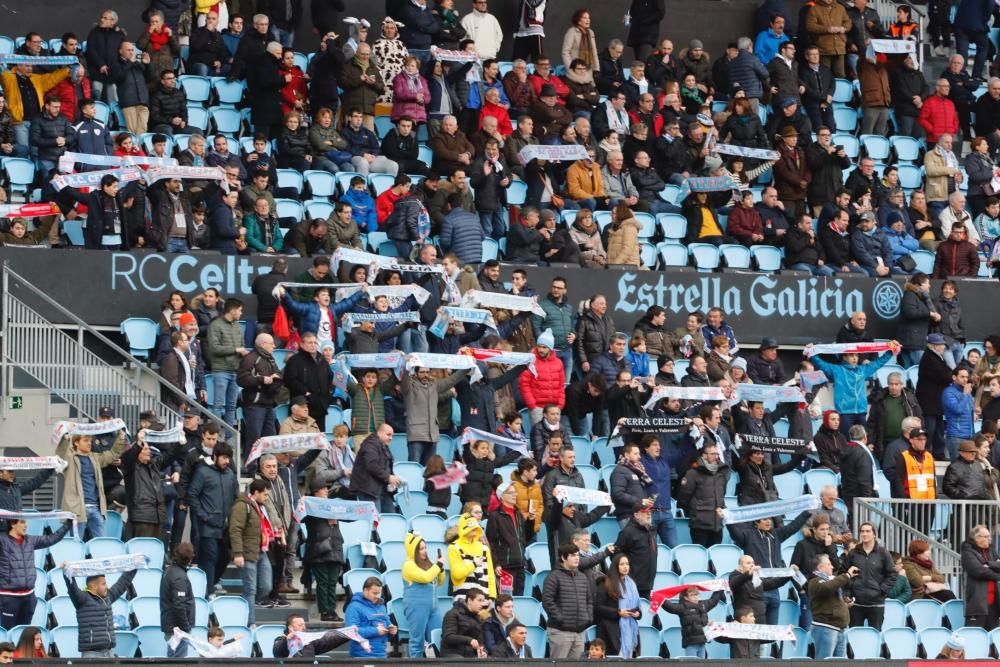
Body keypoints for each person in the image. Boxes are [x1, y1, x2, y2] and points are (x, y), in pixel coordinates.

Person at [55, 425, 128, 539]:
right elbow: (59, 456)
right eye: (85, 440)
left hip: (94, 507)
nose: (89, 443)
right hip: (77, 509)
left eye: (90, 441)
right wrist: (65, 439)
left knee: (101, 542)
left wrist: (121, 437)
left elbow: (112, 454)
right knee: (76, 543)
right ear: (76, 443)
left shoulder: (94, 458)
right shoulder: (69, 457)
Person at [808, 344, 896, 435]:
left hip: (861, 412)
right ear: (844, 357)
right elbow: (821, 364)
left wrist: (891, 351)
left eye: (856, 355)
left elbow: (879, 363)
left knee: (863, 441)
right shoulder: (837, 370)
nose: (854, 358)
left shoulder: (863, 370)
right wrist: (811, 353)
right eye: (851, 355)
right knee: (846, 441)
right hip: (844, 412)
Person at [0, 518, 71, 629]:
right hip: (8, 598)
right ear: (12, 524)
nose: (26, 525)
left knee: (23, 634)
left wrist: (68, 524)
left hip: (29, 597)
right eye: (22, 522)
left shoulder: (30, 540)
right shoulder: (2, 541)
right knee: (7, 636)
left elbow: (52, 538)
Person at [187, 442, 238, 592]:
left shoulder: (230, 474)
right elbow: (192, 494)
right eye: (223, 458)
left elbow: (236, 496)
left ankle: (210, 584)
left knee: (225, 557)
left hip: (225, 526)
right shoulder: (203, 472)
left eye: (228, 458)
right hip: (207, 526)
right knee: (209, 558)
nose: (227, 461)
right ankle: (207, 590)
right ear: (215, 456)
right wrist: (203, 515)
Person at [65, 566, 137, 658]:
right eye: (103, 584)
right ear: (94, 586)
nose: (106, 587)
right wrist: (67, 572)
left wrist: (134, 567)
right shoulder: (82, 599)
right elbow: (72, 588)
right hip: (91, 655)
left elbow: (122, 584)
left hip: (109, 652)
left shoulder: (108, 597)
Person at [542, 542, 593, 659]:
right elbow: (547, 601)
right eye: (573, 555)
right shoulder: (553, 577)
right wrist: (561, 618)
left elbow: (589, 601)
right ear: (563, 557)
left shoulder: (582, 577)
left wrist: (588, 618)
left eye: (577, 555)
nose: (577, 558)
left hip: (580, 632)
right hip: (560, 632)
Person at [677, 441, 730, 547]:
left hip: (717, 525)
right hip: (699, 524)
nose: (716, 456)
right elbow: (684, 497)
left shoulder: (721, 473)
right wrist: (695, 514)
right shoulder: (693, 473)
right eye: (713, 454)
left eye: (717, 454)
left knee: (715, 557)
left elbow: (722, 495)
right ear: (704, 455)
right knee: (700, 557)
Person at [402, 532, 445, 657]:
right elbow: (425, 577)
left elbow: (441, 582)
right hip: (416, 607)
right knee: (417, 642)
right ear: (413, 550)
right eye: (421, 549)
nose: (424, 551)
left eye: (425, 547)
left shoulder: (429, 563)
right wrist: (438, 565)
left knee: (436, 641)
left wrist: (440, 569)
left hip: (433, 608)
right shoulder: (408, 565)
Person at [808, 554, 858, 659]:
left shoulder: (830, 581)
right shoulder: (815, 581)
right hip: (825, 628)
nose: (832, 567)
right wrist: (847, 575)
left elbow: (831, 599)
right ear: (820, 568)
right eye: (829, 564)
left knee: (841, 664)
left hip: (840, 629)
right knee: (824, 662)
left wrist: (844, 604)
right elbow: (827, 588)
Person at [593, 553, 641, 658]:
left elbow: (637, 606)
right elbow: (597, 607)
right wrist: (618, 612)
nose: (625, 567)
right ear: (616, 566)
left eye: (627, 564)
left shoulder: (632, 584)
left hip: (629, 628)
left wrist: (638, 613)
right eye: (622, 564)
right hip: (611, 630)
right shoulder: (605, 583)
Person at [661, 586, 727, 658]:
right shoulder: (683, 607)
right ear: (686, 597)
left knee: (701, 664)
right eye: (693, 595)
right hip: (691, 643)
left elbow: (713, 601)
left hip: (702, 642)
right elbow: (670, 607)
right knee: (691, 664)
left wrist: (720, 588)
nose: (696, 597)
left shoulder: (703, 605)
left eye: (697, 594)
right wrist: (659, 598)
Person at [350, 425, 400, 514]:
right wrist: (388, 477)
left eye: (392, 435)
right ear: (379, 433)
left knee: (391, 518)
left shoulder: (382, 445)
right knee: (374, 522)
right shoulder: (370, 445)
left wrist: (392, 479)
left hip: (381, 490)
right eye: (388, 435)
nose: (391, 438)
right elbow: (372, 465)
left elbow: (385, 466)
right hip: (369, 491)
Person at [343, 577, 396, 658]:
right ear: (365, 591)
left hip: (381, 655)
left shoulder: (381, 606)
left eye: (379, 593)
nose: (377, 596)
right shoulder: (353, 607)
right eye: (374, 593)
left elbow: (387, 625)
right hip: (362, 656)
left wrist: (391, 631)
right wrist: (376, 631)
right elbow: (351, 632)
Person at [160, 543, 196, 657]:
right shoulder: (179, 577)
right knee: (178, 661)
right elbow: (179, 605)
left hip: (172, 626)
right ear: (190, 558)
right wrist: (185, 628)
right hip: (178, 630)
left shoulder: (170, 571)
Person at [962, 525, 1000, 628]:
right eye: (987, 536)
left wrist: (988, 564)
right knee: (975, 635)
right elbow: (978, 571)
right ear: (977, 538)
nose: (990, 539)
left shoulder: (991, 549)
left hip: (994, 602)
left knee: (993, 638)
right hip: (977, 602)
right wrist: (997, 574)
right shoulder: (967, 551)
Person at [902, 539, 958, 603]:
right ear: (918, 553)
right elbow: (918, 581)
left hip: (933, 591)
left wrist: (928, 578)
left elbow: (942, 578)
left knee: (948, 595)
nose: (929, 552)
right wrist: (934, 579)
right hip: (921, 595)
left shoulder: (928, 564)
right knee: (947, 595)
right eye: (926, 551)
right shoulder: (908, 565)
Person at [441, 587, 489, 657]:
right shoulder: (452, 614)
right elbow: (448, 637)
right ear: (469, 600)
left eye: (483, 601)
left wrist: (482, 651)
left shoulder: (477, 618)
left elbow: (480, 641)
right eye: (479, 600)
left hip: (469, 655)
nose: (482, 604)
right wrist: (469, 640)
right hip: (452, 653)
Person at [942, 366, 976, 460]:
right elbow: (958, 410)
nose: (965, 379)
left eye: (966, 377)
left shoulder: (967, 392)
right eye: (962, 377)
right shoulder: (948, 392)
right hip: (956, 437)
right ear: (954, 377)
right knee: (958, 469)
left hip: (969, 436)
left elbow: (970, 409)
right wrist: (965, 395)